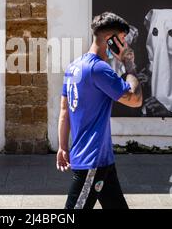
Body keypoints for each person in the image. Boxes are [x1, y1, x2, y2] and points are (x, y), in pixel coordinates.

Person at [57, 12, 143, 209]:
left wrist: (63, 146)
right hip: (92, 162)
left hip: (102, 160)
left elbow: (64, 111)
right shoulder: (99, 69)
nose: (125, 45)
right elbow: (135, 99)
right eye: (122, 40)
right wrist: (129, 65)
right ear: (110, 40)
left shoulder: (73, 67)